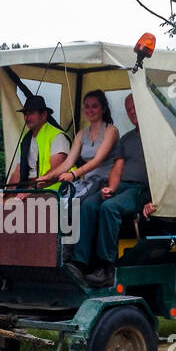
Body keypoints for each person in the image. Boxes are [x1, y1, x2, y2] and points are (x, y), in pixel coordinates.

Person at [66, 93, 157, 288]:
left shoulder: (158, 137)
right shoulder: (126, 139)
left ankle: (106, 268)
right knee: (89, 204)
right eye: (129, 109)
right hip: (122, 186)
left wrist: (156, 198)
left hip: (141, 190)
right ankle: (80, 263)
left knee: (110, 207)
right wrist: (111, 188)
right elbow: (117, 168)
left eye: (135, 107)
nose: (132, 112)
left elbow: (166, 170)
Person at [38, 89, 119, 201]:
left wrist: (73, 174)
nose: (90, 110)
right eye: (87, 106)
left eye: (94, 106)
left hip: (106, 183)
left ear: (103, 109)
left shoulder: (111, 130)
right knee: (62, 202)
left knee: (83, 205)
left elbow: (97, 160)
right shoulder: (81, 134)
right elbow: (68, 162)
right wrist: (48, 177)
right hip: (89, 183)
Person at [5, 95, 69, 190]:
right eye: (25, 114)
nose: (27, 118)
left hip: (55, 193)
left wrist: (30, 190)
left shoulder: (58, 136)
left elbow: (57, 170)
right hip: (30, 189)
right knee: (1, 202)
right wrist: (6, 194)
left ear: (43, 115)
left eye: (31, 113)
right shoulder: (25, 140)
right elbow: (18, 171)